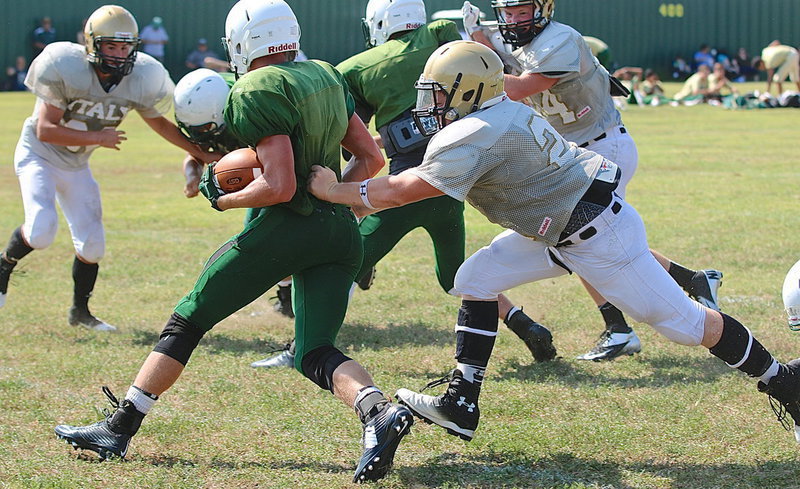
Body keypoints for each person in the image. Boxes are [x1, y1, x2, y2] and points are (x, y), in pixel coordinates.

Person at [307, 39, 800, 446]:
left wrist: (332, 189)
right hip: (557, 225)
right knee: (474, 278)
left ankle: (784, 380)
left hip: (595, 235)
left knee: (687, 326)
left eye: (437, 93)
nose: (429, 104)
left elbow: (401, 191)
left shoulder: (476, 130)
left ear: (467, 91)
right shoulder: (498, 109)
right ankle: (461, 401)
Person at [54, 1, 413, 483]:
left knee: (188, 318)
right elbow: (370, 157)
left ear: (244, 42)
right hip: (341, 232)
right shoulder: (326, 73)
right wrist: (333, 194)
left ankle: (118, 429)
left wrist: (221, 198)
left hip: (287, 229)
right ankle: (378, 414)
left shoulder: (256, 86)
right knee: (314, 350)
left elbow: (280, 186)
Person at [252, 0, 557, 370]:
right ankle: (526, 325)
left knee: (338, 266)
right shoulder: (441, 42)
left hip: (408, 186)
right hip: (448, 189)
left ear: (378, 23)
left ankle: (301, 345)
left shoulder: (359, 67)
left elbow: (350, 135)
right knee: (455, 276)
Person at [463, 0, 722, 361]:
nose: (514, 19)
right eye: (508, 13)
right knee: (599, 239)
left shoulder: (559, 38)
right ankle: (690, 281)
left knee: (583, 239)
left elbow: (520, 86)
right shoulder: (522, 41)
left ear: (543, 9)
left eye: (522, 11)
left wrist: (466, 71)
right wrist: (478, 36)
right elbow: (503, 61)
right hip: (577, 151)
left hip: (602, 145)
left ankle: (622, 327)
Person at [0, 5, 214, 331]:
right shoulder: (65, 66)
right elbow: (45, 129)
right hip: (39, 155)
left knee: (93, 246)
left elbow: (159, 124)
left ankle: (80, 313)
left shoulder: (141, 76)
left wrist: (202, 154)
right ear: (93, 45)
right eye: (111, 46)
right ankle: (4, 265)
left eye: (125, 47)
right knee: (42, 229)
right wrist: (98, 136)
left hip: (76, 164)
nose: (118, 54)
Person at [173, 67, 293, 320]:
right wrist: (192, 177)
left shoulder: (251, 110)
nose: (197, 135)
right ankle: (286, 296)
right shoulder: (206, 108)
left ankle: (292, 294)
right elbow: (195, 152)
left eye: (203, 128)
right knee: (260, 237)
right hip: (265, 172)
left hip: (284, 168)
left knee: (260, 235)